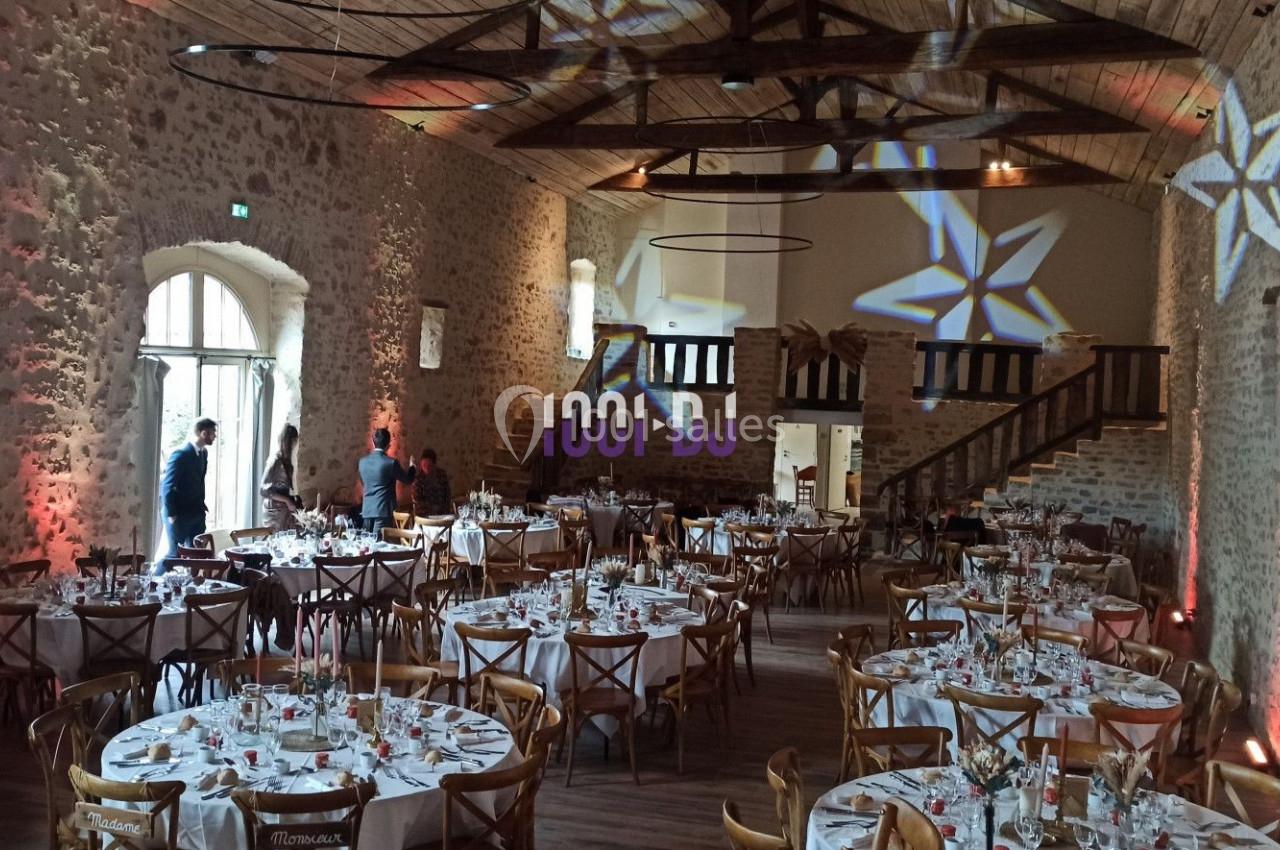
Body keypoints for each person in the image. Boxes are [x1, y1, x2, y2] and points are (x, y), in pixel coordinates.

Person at [160, 417, 217, 570]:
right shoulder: (181, 454)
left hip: (196, 512)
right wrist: (171, 515)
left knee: (196, 555)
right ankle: (153, 583)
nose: (215, 436)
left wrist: (201, 506)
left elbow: (199, 482)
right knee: (174, 555)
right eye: (212, 433)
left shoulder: (203, 454)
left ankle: (189, 588)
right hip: (178, 514)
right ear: (203, 433)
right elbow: (167, 487)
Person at [357, 427, 415, 534]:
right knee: (379, 547)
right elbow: (407, 480)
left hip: (367, 510)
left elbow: (364, 484)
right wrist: (412, 466)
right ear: (388, 444)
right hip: (383, 511)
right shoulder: (391, 463)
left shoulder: (362, 462)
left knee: (367, 545)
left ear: (373, 442)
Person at [260, 423, 303, 532]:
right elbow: (264, 490)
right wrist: (288, 501)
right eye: (293, 442)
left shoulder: (287, 463)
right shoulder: (275, 461)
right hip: (274, 509)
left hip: (284, 508)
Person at [412, 447, 452, 517]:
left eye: (429, 466)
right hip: (424, 516)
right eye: (424, 465)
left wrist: (444, 510)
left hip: (443, 514)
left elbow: (447, 494)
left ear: (434, 465)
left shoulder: (441, 474)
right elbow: (417, 501)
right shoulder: (418, 479)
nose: (426, 469)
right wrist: (433, 508)